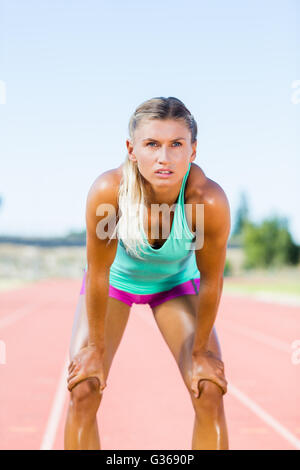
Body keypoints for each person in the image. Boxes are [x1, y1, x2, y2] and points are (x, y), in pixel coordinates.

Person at [64, 96, 231, 450]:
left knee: (209, 389)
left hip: (175, 285)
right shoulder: (109, 192)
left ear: (193, 150)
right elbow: (97, 273)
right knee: (83, 388)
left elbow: (213, 279)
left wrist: (201, 350)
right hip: (115, 284)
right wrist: (94, 348)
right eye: (152, 144)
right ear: (131, 148)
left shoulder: (207, 201)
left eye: (176, 145)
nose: (164, 158)